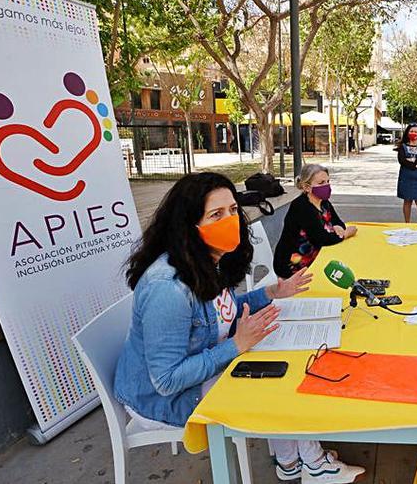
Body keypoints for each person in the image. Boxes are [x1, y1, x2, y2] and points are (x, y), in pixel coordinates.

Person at [113, 172, 365, 483]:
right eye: (215, 214)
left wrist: (272, 293)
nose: (230, 220)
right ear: (188, 225)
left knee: (281, 367)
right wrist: (235, 346)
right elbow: (166, 380)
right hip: (162, 399)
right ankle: (313, 462)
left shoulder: (208, 259)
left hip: (198, 366)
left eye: (233, 210)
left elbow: (223, 310)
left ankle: (289, 461)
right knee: (279, 380)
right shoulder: (168, 290)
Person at [274, 164, 357, 279]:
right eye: (321, 183)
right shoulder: (301, 206)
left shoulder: (324, 202)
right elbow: (322, 239)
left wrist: (338, 227)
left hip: (318, 256)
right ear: (307, 187)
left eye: (328, 181)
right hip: (293, 264)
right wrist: (346, 233)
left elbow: (338, 221)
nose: (326, 186)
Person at [397, 123, 417, 223]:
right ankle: (407, 223)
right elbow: (402, 160)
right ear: (407, 133)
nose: (413, 133)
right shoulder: (403, 146)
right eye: (411, 131)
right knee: (407, 201)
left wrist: (413, 161)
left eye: (415, 131)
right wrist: (416, 164)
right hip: (406, 177)